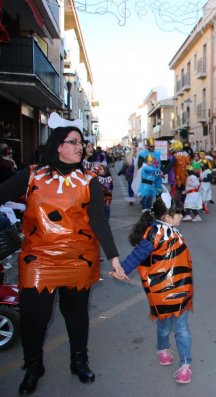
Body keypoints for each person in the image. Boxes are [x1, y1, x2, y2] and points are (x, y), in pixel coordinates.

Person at [0, 113, 125, 395]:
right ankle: (33, 365)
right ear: (58, 145)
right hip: (38, 258)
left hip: (79, 258)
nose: (80, 147)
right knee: (34, 318)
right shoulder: (32, 174)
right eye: (74, 142)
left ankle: (78, 360)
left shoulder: (89, 179)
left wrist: (114, 258)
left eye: (81, 142)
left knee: (76, 314)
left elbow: (98, 221)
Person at [116, 192, 194, 384]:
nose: (181, 216)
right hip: (161, 290)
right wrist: (122, 268)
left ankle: (186, 364)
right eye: (178, 213)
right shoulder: (155, 233)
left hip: (181, 287)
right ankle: (162, 347)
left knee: (182, 328)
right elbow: (138, 254)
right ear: (166, 216)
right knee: (165, 326)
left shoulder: (171, 230)